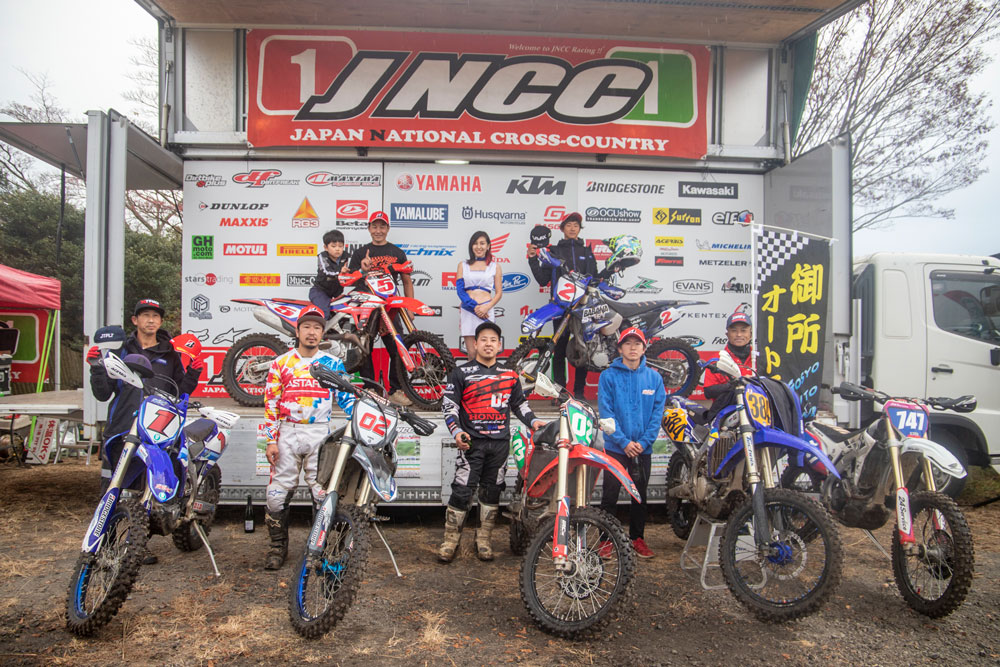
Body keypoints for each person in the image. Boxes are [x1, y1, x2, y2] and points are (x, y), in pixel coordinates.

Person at [87, 298, 204, 564]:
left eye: (155, 316)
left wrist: (194, 373)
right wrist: (96, 368)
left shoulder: (171, 353)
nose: (151, 320)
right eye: (145, 315)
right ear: (135, 320)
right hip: (120, 428)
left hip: (155, 431)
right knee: (112, 488)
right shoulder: (119, 349)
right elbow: (103, 393)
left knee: (145, 492)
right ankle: (105, 546)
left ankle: (136, 545)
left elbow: (180, 393)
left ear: (161, 321)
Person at [439, 321, 544, 563]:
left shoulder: (510, 375)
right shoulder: (460, 373)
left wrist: (534, 421)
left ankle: (484, 540)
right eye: (484, 340)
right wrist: (456, 432)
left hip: (499, 444)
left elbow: (519, 405)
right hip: (471, 444)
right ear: (475, 344)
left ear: (500, 346)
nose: (488, 344)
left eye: (493, 340)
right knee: (462, 491)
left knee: (492, 491)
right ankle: (450, 541)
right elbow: (450, 407)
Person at [262, 306, 355, 570]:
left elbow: (347, 399)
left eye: (317, 328)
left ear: (322, 333)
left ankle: (318, 550)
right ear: (297, 331)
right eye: (307, 327)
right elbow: (271, 404)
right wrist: (270, 440)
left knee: (321, 494)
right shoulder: (281, 363)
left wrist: (360, 421)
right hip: (287, 432)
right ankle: (277, 548)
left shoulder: (332, 364)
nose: (312, 332)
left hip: (320, 434)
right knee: (276, 495)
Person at [597, 327, 666, 559]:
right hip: (616, 448)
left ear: (644, 349)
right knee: (610, 495)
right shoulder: (608, 377)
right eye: (628, 343)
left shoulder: (654, 378)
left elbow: (657, 416)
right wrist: (624, 442)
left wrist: (643, 443)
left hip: (642, 449)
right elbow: (606, 414)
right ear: (620, 349)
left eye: (637, 343)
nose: (633, 347)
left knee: (640, 496)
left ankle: (638, 539)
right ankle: (606, 540)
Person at [527, 212, 599, 400]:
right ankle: (560, 393)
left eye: (576, 225)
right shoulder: (554, 251)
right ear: (562, 228)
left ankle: (579, 393)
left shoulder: (587, 252)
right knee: (558, 350)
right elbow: (543, 280)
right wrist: (533, 259)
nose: (573, 228)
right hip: (560, 307)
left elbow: (595, 279)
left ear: (580, 228)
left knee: (582, 349)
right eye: (569, 225)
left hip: (582, 308)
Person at [347, 210, 414, 406]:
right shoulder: (360, 253)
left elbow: (407, 281)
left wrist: (409, 307)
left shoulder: (397, 253)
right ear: (369, 229)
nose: (378, 230)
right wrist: (363, 269)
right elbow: (352, 280)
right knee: (363, 348)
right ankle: (370, 389)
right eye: (374, 226)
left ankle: (396, 390)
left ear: (388, 228)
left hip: (389, 307)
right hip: (366, 305)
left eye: (382, 226)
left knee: (398, 347)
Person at [456, 231, 503, 359]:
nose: (479, 247)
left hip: (486, 311)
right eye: (475, 243)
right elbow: (460, 291)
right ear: (471, 246)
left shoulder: (495, 266)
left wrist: (486, 307)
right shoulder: (462, 265)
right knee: (472, 353)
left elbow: (499, 293)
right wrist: (475, 307)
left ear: (488, 246)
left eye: (482, 243)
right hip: (468, 310)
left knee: (487, 352)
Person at [702, 312, 755, 421]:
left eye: (743, 330)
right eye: (734, 331)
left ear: (750, 334)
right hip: (726, 416)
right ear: (727, 334)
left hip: (757, 412)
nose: (739, 334)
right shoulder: (717, 358)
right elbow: (708, 392)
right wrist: (736, 384)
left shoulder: (759, 357)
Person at [308, 229, 350, 318]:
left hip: (335, 293)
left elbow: (351, 271)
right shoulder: (322, 257)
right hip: (320, 291)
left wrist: (362, 271)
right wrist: (340, 272)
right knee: (323, 312)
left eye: (340, 246)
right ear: (326, 247)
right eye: (333, 246)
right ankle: (320, 327)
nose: (337, 249)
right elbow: (326, 271)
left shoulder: (345, 257)